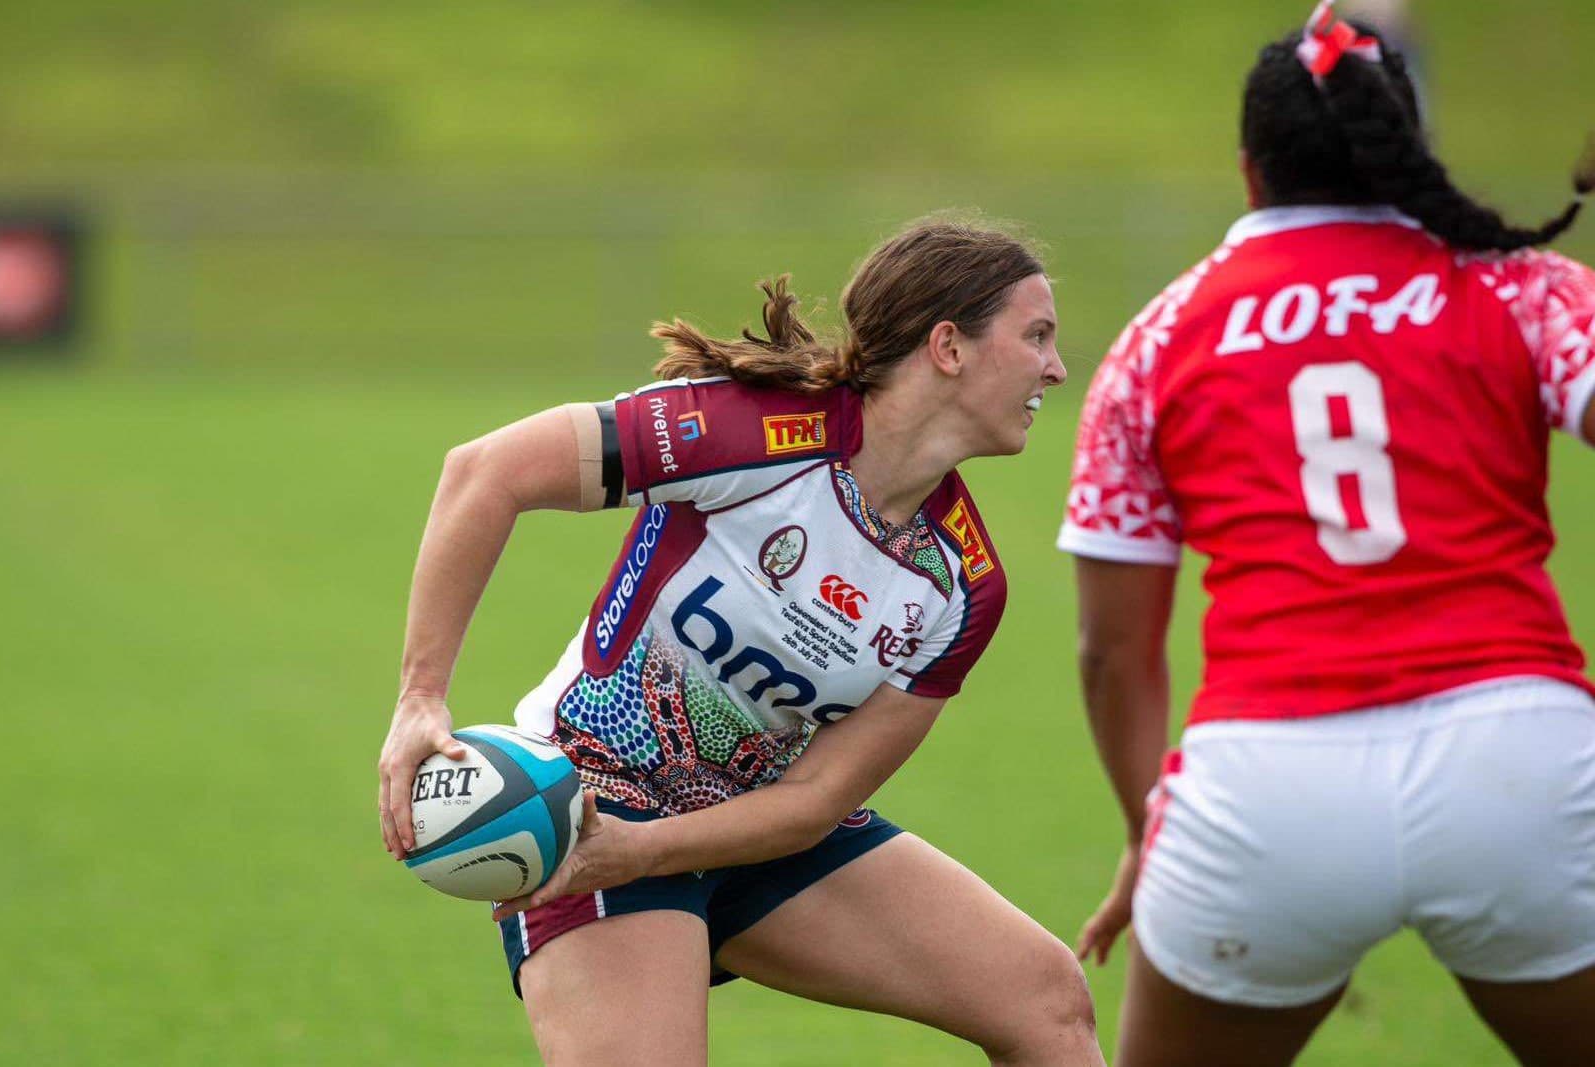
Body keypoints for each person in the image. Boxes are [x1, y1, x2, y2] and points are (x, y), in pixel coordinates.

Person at [379, 219, 1106, 1066]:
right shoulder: (754, 430)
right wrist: (420, 695)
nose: (1056, 368)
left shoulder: (963, 582)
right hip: (588, 811)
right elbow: (485, 472)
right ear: (948, 345)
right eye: (1037, 336)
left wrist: (648, 850)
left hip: (756, 833)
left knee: (1046, 1003)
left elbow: (819, 797)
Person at [1056, 4, 1595, 1066]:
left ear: (1251, 169)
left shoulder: (1159, 336)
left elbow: (1111, 650)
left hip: (1268, 785)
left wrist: (1142, 827)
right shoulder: (1514, 282)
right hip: (1517, 761)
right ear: (1408, 147)